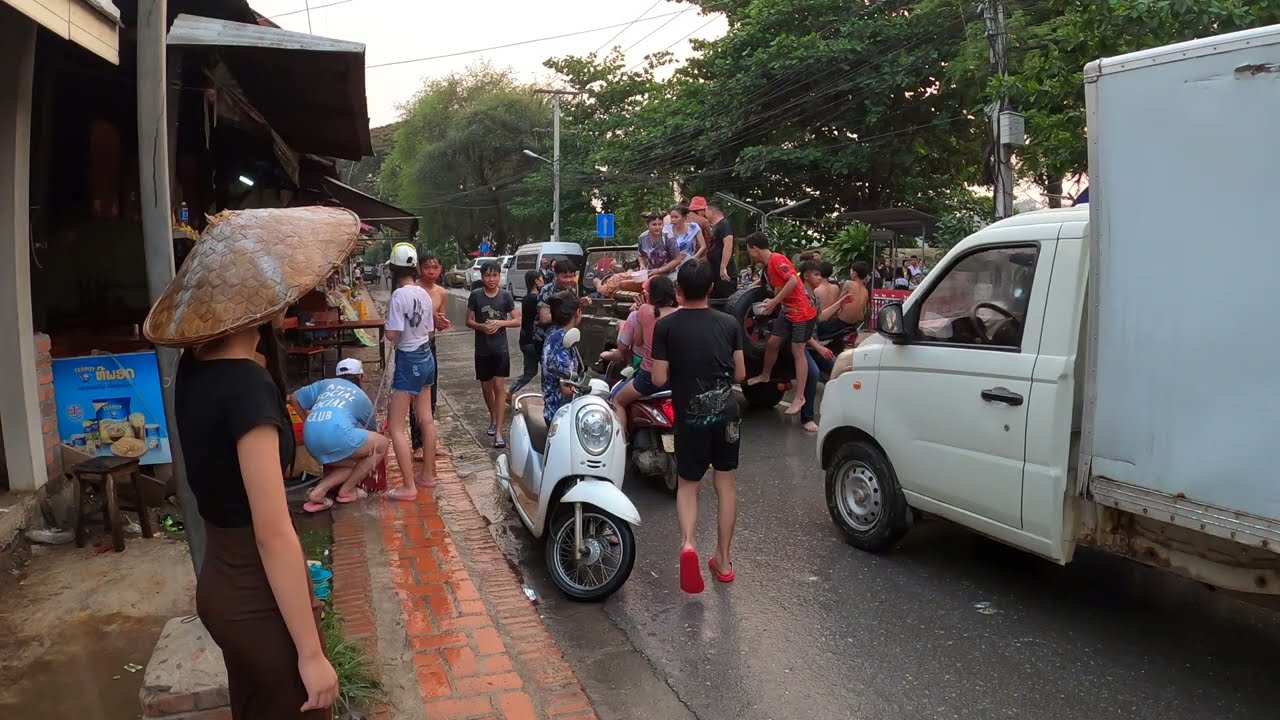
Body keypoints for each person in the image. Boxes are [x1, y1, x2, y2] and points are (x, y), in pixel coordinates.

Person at [147, 206, 348, 719]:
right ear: (263, 299)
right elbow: (272, 532)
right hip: (254, 595)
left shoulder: (195, 369)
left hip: (220, 581)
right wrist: (310, 654)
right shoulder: (247, 390)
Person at [651, 259, 745, 594]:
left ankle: (689, 543)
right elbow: (741, 374)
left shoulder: (666, 327)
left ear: (678, 290)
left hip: (688, 418)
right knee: (726, 485)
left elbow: (659, 377)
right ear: (709, 288)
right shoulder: (730, 323)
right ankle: (722, 561)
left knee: (689, 484)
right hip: (728, 416)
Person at [293, 359, 389, 511]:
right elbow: (373, 432)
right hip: (337, 436)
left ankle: (318, 493)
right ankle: (347, 490)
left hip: (310, 438)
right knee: (382, 444)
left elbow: (294, 397)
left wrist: (307, 420)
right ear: (361, 377)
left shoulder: (325, 384)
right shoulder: (361, 397)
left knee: (350, 464)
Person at [383, 242, 437, 501]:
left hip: (409, 360)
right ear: (414, 268)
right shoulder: (424, 294)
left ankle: (408, 487)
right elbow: (429, 329)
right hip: (427, 357)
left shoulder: (398, 296)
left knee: (395, 426)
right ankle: (428, 476)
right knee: (426, 419)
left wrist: (387, 327)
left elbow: (393, 334)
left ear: (393, 269)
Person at [744, 232, 815, 417]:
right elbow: (764, 282)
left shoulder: (777, 259)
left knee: (798, 352)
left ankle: (799, 397)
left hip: (800, 311)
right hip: (787, 311)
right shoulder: (766, 267)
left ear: (755, 248)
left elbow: (792, 280)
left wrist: (775, 301)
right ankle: (765, 374)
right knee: (773, 343)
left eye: (749, 250)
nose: (750, 255)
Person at [604, 276, 679, 435]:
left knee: (617, 400)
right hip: (677, 377)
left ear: (651, 295)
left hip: (648, 378)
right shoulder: (682, 313)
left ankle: (621, 444)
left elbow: (637, 342)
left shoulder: (644, 311)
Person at [466, 261, 519, 448]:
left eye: (495, 275)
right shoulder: (476, 296)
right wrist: (481, 326)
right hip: (482, 350)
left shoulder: (505, 296)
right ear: (482, 277)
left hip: (500, 350)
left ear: (500, 276)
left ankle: (499, 432)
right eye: (488, 275)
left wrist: (500, 324)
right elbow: (469, 321)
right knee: (486, 388)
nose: (491, 279)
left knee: (499, 387)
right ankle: (493, 418)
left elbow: (517, 320)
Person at [410, 252, 451, 461]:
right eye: (427, 267)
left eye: (435, 267)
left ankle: (428, 443)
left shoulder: (441, 293)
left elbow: (439, 323)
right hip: (413, 347)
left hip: (430, 345)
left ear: (440, 269)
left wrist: (440, 323)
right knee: (414, 395)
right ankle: (416, 444)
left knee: (431, 394)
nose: (431, 272)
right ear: (419, 269)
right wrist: (429, 317)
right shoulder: (412, 290)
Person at [540, 291, 583, 425]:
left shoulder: (553, 334)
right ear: (578, 312)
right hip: (560, 414)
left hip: (552, 407)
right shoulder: (563, 341)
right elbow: (567, 387)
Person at [509, 269, 545, 396]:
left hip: (526, 339)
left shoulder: (526, 298)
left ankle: (510, 391)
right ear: (536, 281)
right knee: (547, 370)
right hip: (533, 340)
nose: (543, 281)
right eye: (541, 278)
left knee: (530, 371)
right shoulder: (536, 300)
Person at [536, 259, 584, 342]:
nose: (569, 280)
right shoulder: (547, 290)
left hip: (566, 337)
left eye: (571, 276)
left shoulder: (572, 290)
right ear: (556, 275)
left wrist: (580, 303)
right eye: (565, 277)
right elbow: (544, 318)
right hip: (546, 338)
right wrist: (568, 314)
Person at [704, 200, 738, 298]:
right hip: (715, 273)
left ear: (712, 212)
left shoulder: (725, 224)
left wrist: (723, 267)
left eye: (706, 211)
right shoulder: (715, 227)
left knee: (726, 301)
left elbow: (728, 244)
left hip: (725, 273)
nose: (705, 214)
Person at [637, 211, 682, 276]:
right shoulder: (643, 237)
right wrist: (642, 264)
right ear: (647, 225)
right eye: (654, 224)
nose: (657, 227)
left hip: (670, 273)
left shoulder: (669, 238)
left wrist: (659, 271)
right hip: (651, 272)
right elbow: (640, 254)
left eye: (660, 224)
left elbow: (677, 259)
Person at [663, 204, 703, 274]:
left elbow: (703, 246)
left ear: (684, 217)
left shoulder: (693, 227)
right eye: (672, 217)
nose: (673, 220)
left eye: (676, 217)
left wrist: (693, 258)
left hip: (689, 266)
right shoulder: (666, 229)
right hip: (671, 266)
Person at [686, 196, 716, 262]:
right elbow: (712, 235)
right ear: (699, 210)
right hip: (700, 252)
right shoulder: (703, 221)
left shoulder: (685, 217)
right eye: (704, 210)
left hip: (686, 251)